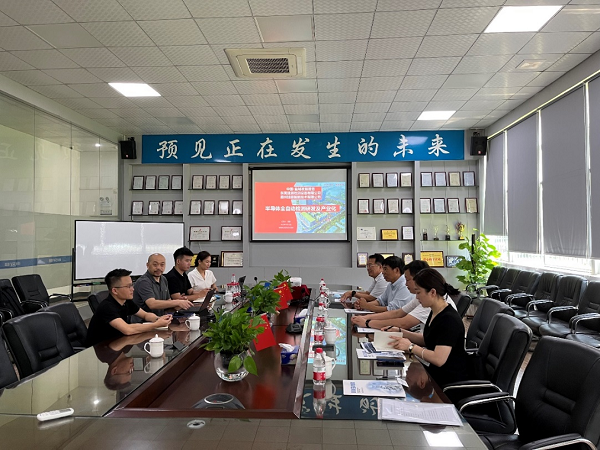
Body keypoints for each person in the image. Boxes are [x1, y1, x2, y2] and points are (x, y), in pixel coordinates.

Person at [390, 269, 470, 388]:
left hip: (447, 382)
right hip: (434, 373)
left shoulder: (449, 319)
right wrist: (401, 332)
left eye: (418, 292)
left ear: (432, 292)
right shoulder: (435, 312)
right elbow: (429, 339)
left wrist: (411, 347)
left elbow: (438, 359)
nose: (417, 297)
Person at [351, 260, 456, 330]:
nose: (405, 284)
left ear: (419, 278)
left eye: (408, 280)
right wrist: (367, 317)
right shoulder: (422, 296)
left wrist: (367, 322)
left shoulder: (431, 300)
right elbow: (397, 313)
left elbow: (404, 323)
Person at [85, 268, 172, 347]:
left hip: (119, 344)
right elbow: (128, 330)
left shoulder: (126, 301)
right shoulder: (107, 307)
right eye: (128, 286)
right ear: (115, 291)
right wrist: (156, 325)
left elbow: (145, 315)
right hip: (100, 349)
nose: (132, 289)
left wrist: (158, 319)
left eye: (132, 285)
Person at [132, 253, 193, 321]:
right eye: (155, 264)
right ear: (148, 265)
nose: (159, 267)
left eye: (162, 265)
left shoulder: (163, 279)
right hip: (143, 323)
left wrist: (180, 303)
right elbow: (152, 304)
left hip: (161, 320)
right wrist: (177, 302)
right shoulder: (143, 281)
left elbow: (168, 303)